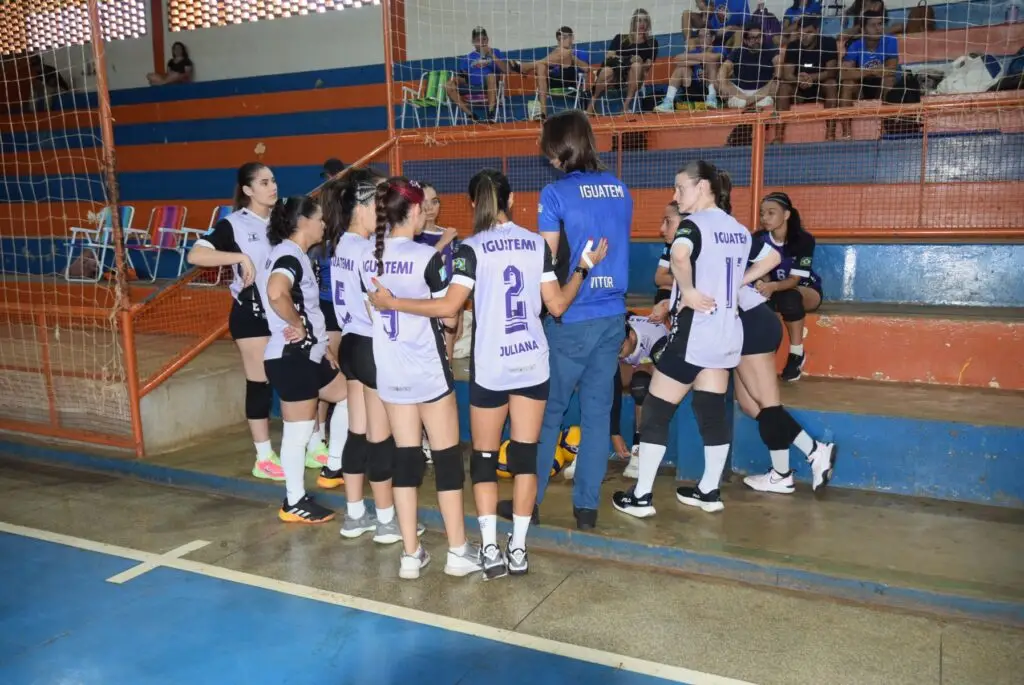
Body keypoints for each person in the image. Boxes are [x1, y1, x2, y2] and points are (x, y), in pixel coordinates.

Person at [370, 169, 606, 579]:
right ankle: (519, 549)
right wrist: (583, 268)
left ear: (474, 204)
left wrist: (394, 304)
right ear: (511, 201)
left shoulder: (470, 249)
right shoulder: (537, 244)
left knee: (483, 458)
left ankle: (491, 548)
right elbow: (556, 306)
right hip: (531, 364)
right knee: (525, 456)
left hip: (491, 367)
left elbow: (449, 308)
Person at [498, 110, 631, 531]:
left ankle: (530, 503)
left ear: (559, 148)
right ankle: (586, 511)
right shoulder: (619, 188)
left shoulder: (555, 193)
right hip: (612, 315)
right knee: (596, 416)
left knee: (545, 414)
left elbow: (548, 259)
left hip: (571, 316)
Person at [611, 160, 756, 518]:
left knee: (656, 411)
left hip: (695, 333)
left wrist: (688, 291)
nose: (675, 196)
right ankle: (709, 490)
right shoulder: (739, 230)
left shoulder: (693, 225)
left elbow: (679, 255)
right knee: (711, 411)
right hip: (726, 333)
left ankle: (641, 496)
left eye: (680, 188)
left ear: (702, 186)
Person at [360, 177, 481, 580]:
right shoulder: (426, 257)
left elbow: (374, 308)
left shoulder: (367, 258)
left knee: (406, 459)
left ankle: (410, 554)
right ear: (414, 210)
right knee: (446, 460)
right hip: (427, 369)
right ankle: (458, 551)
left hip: (390, 371)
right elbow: (449, 312)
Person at [320, 169, 423, 543]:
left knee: (357, 432)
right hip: (370, 346)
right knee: (381, 438)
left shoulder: (341, 245)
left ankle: (354, 515)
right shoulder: (366, 251)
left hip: (350, 345)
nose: (382, 214)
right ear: (361, 208)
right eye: (377, 207)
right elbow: (379, 302)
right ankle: (385, 520)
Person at [187, 163, 284, 481]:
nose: (272, 187)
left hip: (285, 312)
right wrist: (239, 258)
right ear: (247, 190)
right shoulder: (234, 224)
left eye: (273, 181)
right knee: (260, 382)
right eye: (264, 182)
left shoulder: (282, 219)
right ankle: (264, 457)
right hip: (251, 314)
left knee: (298, 377)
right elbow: (195, 255)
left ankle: (312, 446)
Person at [259, 196, 348, 524]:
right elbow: (276, 292)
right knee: (298, 432)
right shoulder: (288, 255)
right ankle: (293, 501)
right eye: (319, 218)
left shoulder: (295, 255)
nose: (324, 224)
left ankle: (334, 465)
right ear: (303, 222)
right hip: (291, 357)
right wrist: (297, 324)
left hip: (309, 353)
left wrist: (320, 343)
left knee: (348, 396)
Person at [734, 250, 837, 494]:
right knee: (750, 405)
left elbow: (771, 256)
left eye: (669, 226)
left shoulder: (698, 245)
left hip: (752, 323)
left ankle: (810, 454)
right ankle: (786, 472)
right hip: (738, 328)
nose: (664, 231)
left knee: (768, 405)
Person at [753, 192, 822, 381]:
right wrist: (762, 283)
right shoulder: (758, 239)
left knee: (789, 297)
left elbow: (794, 280)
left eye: (771, 213)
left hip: (805, 289)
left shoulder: (803, 239)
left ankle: (796, 354)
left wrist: (771, 286)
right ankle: (762, 356)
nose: (764, 218)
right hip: (774, 289)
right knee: (757, 303)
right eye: (762, 213)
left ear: (786, 215)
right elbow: (761, 271)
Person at [588, 9, 659, 115]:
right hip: (616, 74)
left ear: (648, 24)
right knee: (607, 71)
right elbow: (609, 56)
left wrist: (639, 62)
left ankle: (625, 107)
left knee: (636, 66)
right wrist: (629, 59)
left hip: (634, 76)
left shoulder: (651, 42)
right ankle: (591, 106)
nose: (642, 23)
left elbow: (648, 65)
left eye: (645, 20)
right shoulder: (620, 38)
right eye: (639, 20)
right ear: (633, 23)